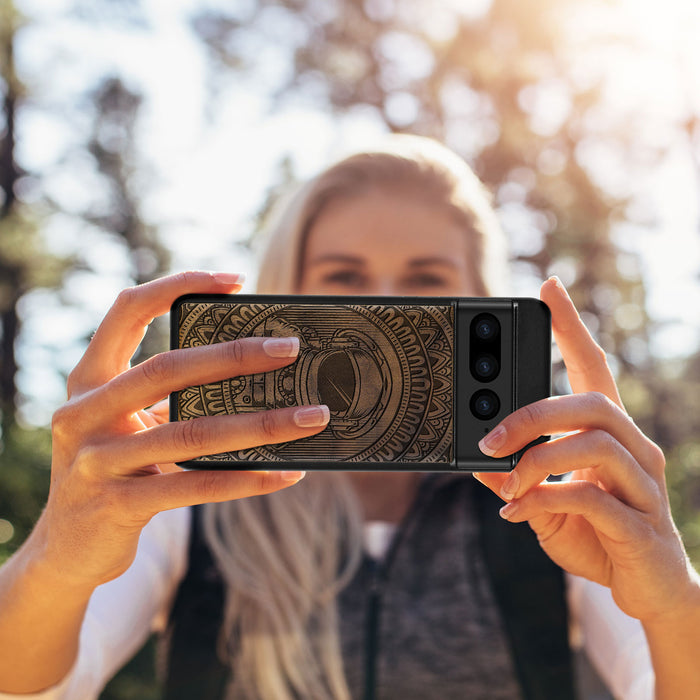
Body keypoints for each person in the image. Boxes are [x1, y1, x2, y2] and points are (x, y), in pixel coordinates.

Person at [0, 135, 699, 700]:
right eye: (344, 279)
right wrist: (57, 559)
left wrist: (674, 604)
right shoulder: (188, 495)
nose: (387, 309)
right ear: (284, 297)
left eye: (427, 280)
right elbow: (38, 685)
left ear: (482, 302)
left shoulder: (551, 499)